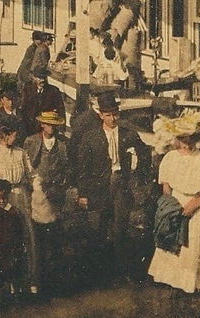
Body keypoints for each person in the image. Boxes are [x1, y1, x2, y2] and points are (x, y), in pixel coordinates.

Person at [76, 92, 152, 282]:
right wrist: (83, 193)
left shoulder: (129, 133)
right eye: (108, 114)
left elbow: (146, 154)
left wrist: (139, 174)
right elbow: (82, 168)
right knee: (99, 229)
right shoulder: (90, 137)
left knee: (120, 229)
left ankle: (122, 272)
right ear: (101, 115)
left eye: (115, 113)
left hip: (121, 184)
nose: (113, 118)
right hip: (98, 188)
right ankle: (99, 273)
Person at [148, 112, 200, 293]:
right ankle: (172, 277)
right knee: (172, 237)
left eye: (189, 139)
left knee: (195, 236)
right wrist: (172, 205)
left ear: (195, 139)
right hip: (175, 203)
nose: (185, 143)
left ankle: (196, 281)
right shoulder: (170, 158)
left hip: (198, 205)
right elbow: (166, 185)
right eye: (182, 138)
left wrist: (194, 205)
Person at [0, 123, 37, 293]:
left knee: (25, 234)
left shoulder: (21, 153)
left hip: (19, 195)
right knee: (2, 237)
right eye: (12, 134)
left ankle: (28, 279)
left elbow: (30, 175)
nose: (16, 137)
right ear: (3, 135)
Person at [23, 111, 70, 293]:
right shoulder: (31, 142)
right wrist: (35, 184)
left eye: (54, 125)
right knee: (38, 237)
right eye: (48, 124)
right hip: (38, 192)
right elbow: (27, 166)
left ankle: (55, 280)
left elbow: (67, 168)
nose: (51, 128)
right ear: (42, 125)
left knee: (56, 238)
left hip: (56, 194)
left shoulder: (63, 145)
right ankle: (38, 280)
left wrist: (61, 184)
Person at [19, 68, 65, 137]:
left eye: (44, 77)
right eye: (40, 77)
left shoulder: (53, 91)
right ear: (33, 78)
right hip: (30, 127)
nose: (43, 80)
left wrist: (61, 128)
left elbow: (61, 109)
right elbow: (23, 108)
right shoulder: (27, 89)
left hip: (48, 127)